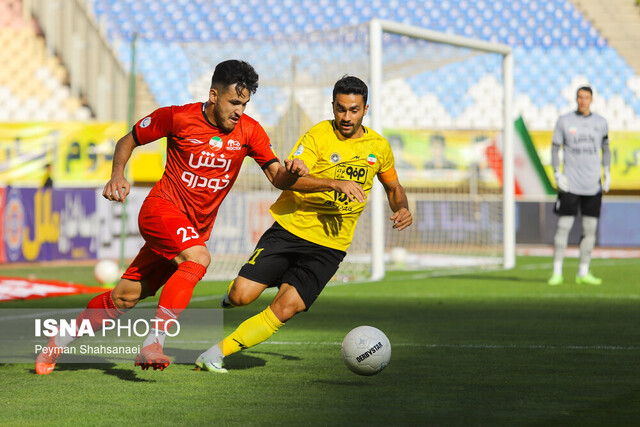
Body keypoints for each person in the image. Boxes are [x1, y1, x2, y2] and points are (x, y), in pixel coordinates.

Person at [35, 60, 320, 375]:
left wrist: (291, 174)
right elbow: (128, 140)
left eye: (245, 104)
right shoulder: (176, 117)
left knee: (125, 297)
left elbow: (276, 177)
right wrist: (117, 175)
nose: (239, 110)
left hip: (189, 229)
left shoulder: (250, 131)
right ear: (213, 95)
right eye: (234, 102)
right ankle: (153, 343)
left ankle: (57, 341)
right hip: (160, 210)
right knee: (198, 258)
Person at [194, 75, 413, 373]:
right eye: (340, 109)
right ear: (332, 106)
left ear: (365, 109)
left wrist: (401, 207)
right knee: (240, 296)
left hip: (330, 246)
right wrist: (329, 181)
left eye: (353, 110)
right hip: (290, 230)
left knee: (286, 308)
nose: (346, 117)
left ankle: (215, 353)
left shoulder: (379, 147)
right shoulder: (317, 136)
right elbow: (295, 178)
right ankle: (233, 296)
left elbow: (393, 186)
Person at [547, 86, 610, 286]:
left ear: (592, 99)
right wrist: (557, 172)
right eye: (580, 97)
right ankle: (557, 271)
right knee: (563, 227)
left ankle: (583, 271)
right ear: (576, 99)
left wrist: (607, 171)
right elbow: (555, 148)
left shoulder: (600, 123)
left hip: (593, 185)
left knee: (589, 230)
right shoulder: (565, 121)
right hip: (570, 185)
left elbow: (606, 149)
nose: (583, 101)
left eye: (586, 97)